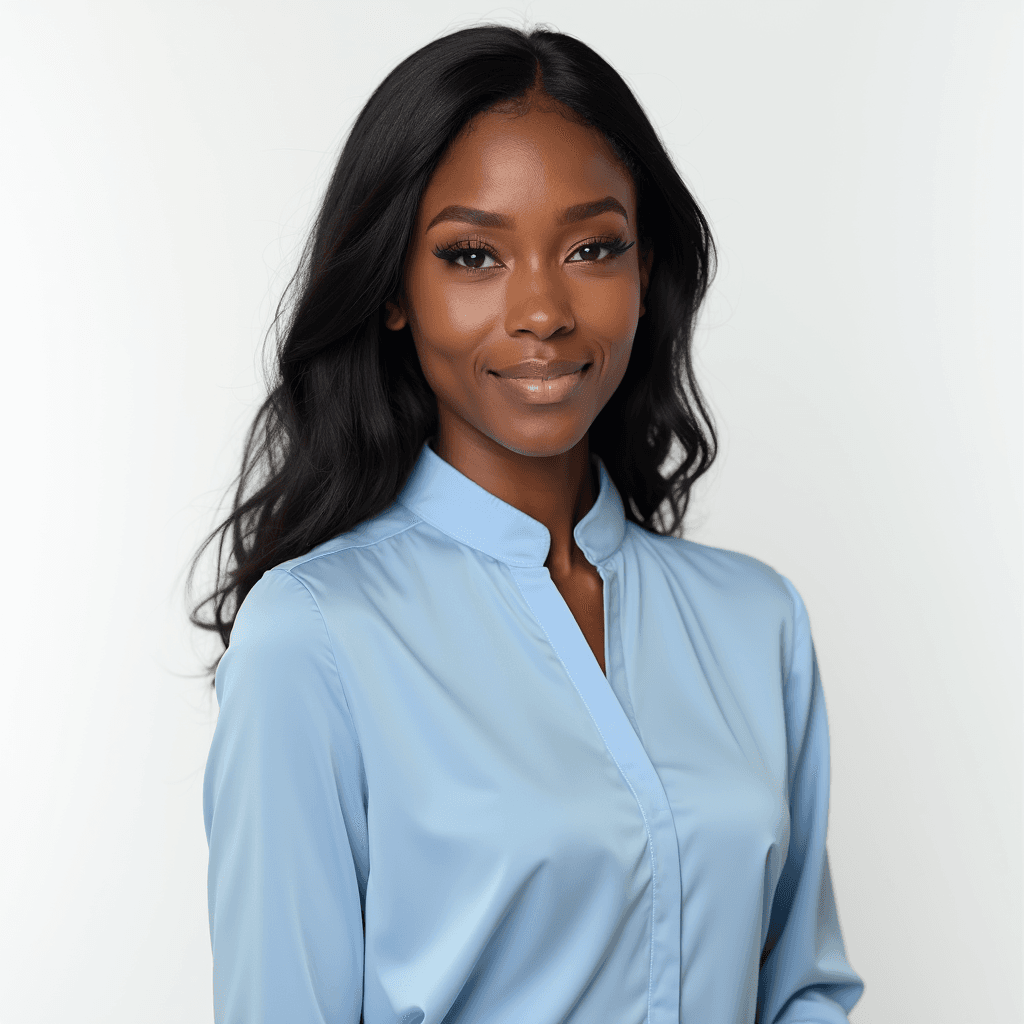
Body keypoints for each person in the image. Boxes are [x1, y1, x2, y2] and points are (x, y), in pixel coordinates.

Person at [190, 23, 865, 1024]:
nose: (542, 309)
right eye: (473, 255)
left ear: (646, 274)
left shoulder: (755, 622)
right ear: (391, 293)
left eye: (594, 247)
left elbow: (801, 989)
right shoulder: (315, 639)